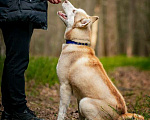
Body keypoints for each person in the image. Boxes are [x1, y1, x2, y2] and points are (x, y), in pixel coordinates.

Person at [0, 0, 61, 120]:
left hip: (17, 8)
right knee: (17, 62)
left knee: (14, 60)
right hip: (18, 8)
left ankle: (10, 110)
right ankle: (17, 110)